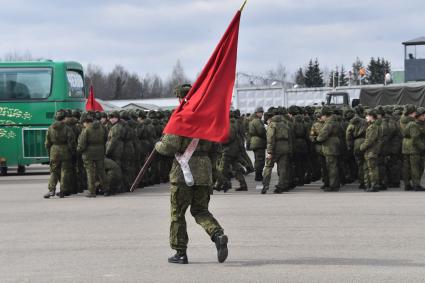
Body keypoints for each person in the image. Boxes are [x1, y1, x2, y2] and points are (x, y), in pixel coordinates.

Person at [154, 84, 228, 264]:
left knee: (177, 214)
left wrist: (157, 145)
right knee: (201, 210)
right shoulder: (207, 118)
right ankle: (217, 235)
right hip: (204, 171)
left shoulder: (180, 117)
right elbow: (216, 147)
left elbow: (169, 146)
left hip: (182, 173)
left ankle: (180, 253)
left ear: (180, 98)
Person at [44, 110, 76, 198]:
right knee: (65, 171)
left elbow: (47, 143)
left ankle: (51, 190)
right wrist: (73, 152)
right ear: (64, 118)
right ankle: (63, 191)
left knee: (54, 172)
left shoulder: (50, 128)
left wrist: (49, 153)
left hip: (54, 152)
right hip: (65, 152)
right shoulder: (67, 128)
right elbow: (71, 142)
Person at [77, 114, 109, 197]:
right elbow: (106, 138)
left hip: (88, 153)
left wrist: (78, 150)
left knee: (90, 172)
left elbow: (82, 144)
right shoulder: (102, 127)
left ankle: (92, 191)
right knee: (101, 171)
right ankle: (106, 190)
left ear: (85, 122)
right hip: (100, 151)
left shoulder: (86, 130)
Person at [261, 108, 292, 194]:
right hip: (285, 148)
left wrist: (270, 151)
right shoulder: (285, 124)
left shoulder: (272, 124)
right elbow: (290, 139)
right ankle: (280, 187)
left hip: (275, 148)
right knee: (282, 168)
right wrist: (289, 149)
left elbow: (270, 138)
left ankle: (265, 185)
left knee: (268, 167)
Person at [315, 107, 341, 192]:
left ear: (325, 115)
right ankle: (335, 184)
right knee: (334, 166)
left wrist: (317, 139)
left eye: (322, 115)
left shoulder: (329, 123)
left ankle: (333, 185)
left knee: (331, 167)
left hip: (329, 146)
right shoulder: (336, 121)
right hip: (335, 144)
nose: (322, 117)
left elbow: (323, 135)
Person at [360, 109, 382, 192]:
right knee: (371, 168)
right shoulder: (373, 126)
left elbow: (370, 140)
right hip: (371, 150)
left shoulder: (373, 127)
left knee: (372, 169)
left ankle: (374, 185)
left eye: (367, 116)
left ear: (371, 116)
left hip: (371, 150)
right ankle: (371, 185)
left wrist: (362, 147)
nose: (366, 117)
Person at [248, 107, 267, 181]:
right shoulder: (257, 121)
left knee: (257, 159)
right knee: (260, 160)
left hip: (255, 142)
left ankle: (258, 174)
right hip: (259, 142)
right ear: (257, 113)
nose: (262, 114)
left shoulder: (253, 120)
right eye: (261, 112)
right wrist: (266, 135)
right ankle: (258, 175)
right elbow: (261, 131)